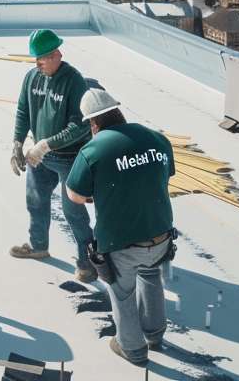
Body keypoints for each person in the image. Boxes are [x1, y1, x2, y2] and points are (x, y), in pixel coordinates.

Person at [66, 88, 175, 367]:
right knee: (151, 277)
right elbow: (165, 175)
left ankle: (132, 348)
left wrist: (98, 194)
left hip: (121, 243)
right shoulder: (156, 138)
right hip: (161, 236)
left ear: (93, 123)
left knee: (122, 291)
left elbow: (74, 195)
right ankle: (155, 334)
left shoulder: (93, 149)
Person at [8, 29, 95, 281]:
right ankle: (38, 246)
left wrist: (46, 144)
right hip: (40, 156)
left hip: (70, 158)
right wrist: (17, 143)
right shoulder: (32, 77)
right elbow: (23, 111)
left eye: (43, 58)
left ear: (57, 54)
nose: (38, 63)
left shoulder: (74, 81)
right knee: (35, 201)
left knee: (74, 213)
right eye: (36, 59)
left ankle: (86, 262)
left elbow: (79, 126)